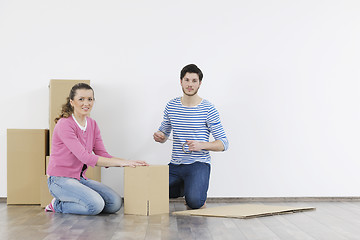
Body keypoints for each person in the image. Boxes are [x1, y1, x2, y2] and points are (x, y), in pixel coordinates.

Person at [46, 83, 148, 215]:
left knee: (115, 203)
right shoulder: (65, 124)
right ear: (72, 102)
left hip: (79, 179)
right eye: (81, 99)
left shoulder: (92, 124)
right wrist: (123, 163)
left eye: (90, 99)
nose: (86, 103)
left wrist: (128, 162)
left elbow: (103, 154)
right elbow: (85, 157)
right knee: (95, 205)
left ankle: (78, 201)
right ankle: (57, 205)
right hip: (60, 180)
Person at [153, 64, 229, 209]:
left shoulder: (208, 109)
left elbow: (224, 143)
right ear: (181, 81)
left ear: (200, 83)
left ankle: (193, 190)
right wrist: (159, 136)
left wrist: (202, 145)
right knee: (153, 191)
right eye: (187, 80)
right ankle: (185, 186)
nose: (190, 84)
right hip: (175, 165)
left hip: (198, 164)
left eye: (194, 81)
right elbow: (164, 134)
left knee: (195, 202)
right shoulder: (171, 106)